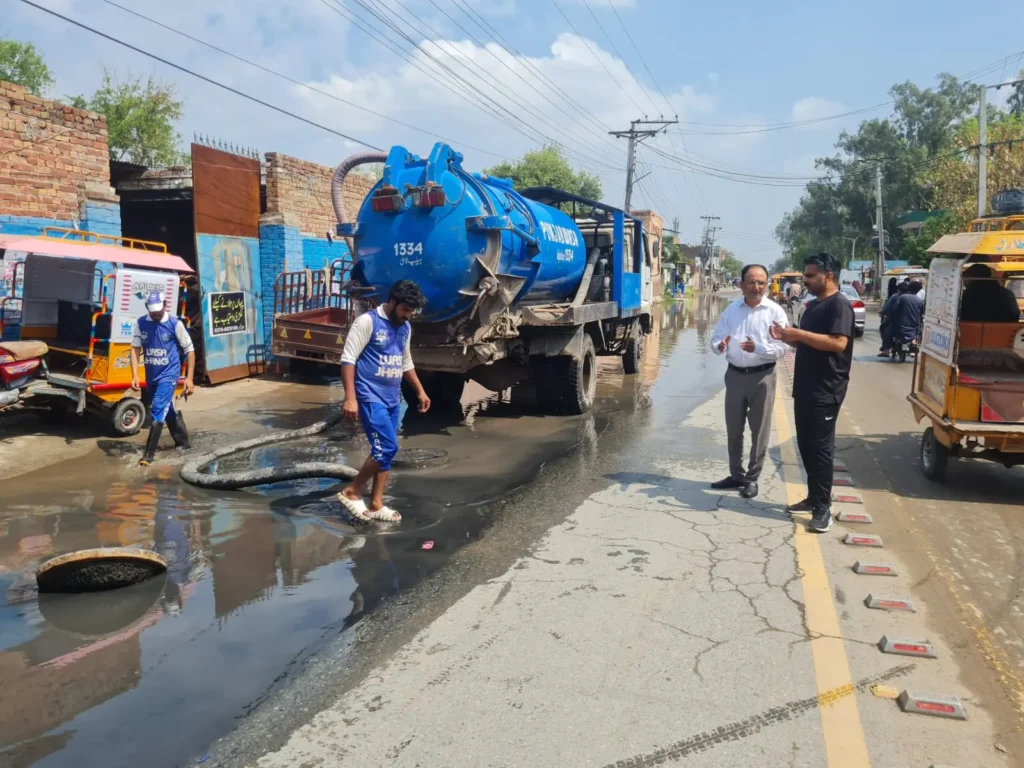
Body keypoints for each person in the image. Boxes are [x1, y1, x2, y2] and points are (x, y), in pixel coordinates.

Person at [770, 252, 855, 533]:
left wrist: (798, 334)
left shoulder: (839, 305)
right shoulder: (813, 306)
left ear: (828, 276)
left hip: (826, 389)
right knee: (806, 446)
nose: (804, 280)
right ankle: (813, 497)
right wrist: (787, 337)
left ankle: (822, 509)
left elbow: (838, 343)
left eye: (809, 275)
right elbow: (810, 343)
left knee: (820, 449)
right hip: (806, 386)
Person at [336, 280, 431, 523]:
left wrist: (420, 391)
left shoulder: (405, 327)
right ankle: (352, 491)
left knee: (385, 451)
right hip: (370, 397)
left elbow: (405, 361)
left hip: (392, 399)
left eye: (412, 311)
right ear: (392, 302)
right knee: (386, 448)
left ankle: (376, 504)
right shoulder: (367, 322)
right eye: (405, 310)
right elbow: (348, 359)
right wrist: (350, 399)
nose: (408, 315)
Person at [709, 264, 789, 499]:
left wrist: (759, 348)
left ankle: (752, 479)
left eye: (761, 282)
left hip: (763, 377)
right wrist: (720, 346)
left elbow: (783, 348)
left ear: (767, 285)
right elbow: (716, 339)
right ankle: (736, 475)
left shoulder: (775, 312)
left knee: (759, 430)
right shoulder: (731, 311)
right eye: (751, 282)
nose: (756, 287)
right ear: (742, 285)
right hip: (735, 376)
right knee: (734, 429)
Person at [130, 291, 196, 466]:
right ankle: (183, 441)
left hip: (169, 375)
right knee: (167, 409)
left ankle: (148, 456)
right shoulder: (141, 323)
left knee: (158, 408)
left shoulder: (175, 324)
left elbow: (189, 350)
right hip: (151, 376)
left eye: (159, 311)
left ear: (165, 306)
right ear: (147, 308)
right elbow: (135, 349)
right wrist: (135, 375)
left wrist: (189, 378)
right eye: (153, 312)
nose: (156, 314)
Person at [889, 280, 925, 347]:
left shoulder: (902, 297)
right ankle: (913, 341)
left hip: (900, 324)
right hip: (913, 325)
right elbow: (921, 313)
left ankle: (888, 347)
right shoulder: (920, 301)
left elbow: (893, 309)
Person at [878, 282, 909, 356]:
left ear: (898, 290)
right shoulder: (914, 298)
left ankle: (886, 349)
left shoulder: (895, 297)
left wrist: (883, 312)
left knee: (884, 329)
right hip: (910, 321)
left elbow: (887, 307)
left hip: (894, 320)